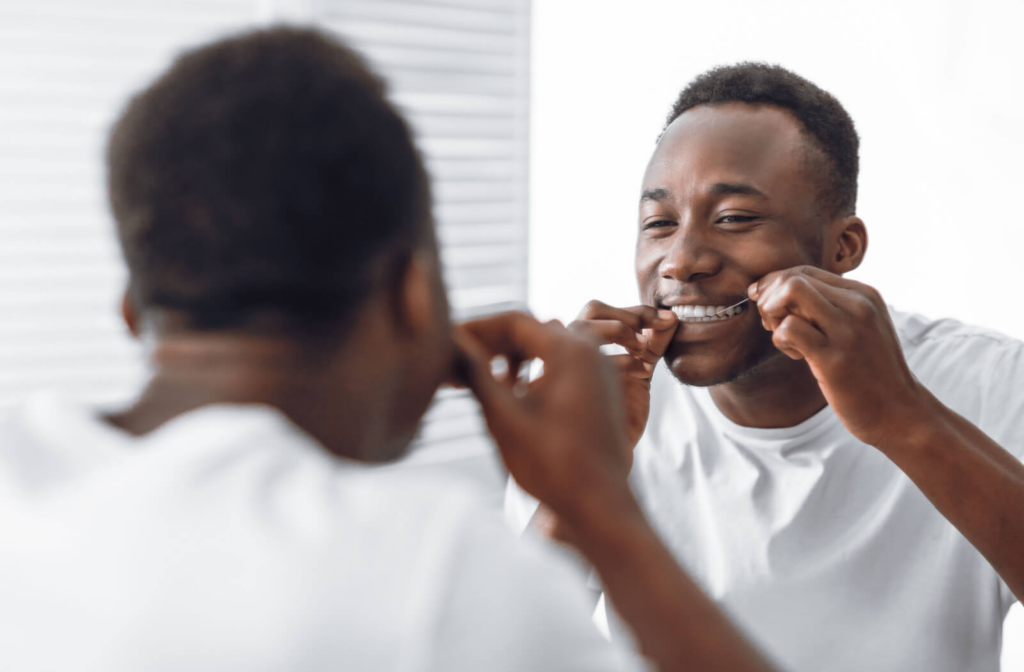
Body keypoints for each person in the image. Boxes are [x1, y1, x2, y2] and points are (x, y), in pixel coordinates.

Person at [0, 28, 787, 672]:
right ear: (412, 295)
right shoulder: (428, 574)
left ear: (135, 314)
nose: (683, 259)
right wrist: (597, 507)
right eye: (657, 223)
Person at [508, 63, 1024, 672]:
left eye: (733, 219)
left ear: (844, 247)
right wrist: (578, 479)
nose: (681, 261)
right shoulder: (598, 404)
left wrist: (904, 417)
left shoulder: (993, 382)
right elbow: (501, 650)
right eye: (659, 224)